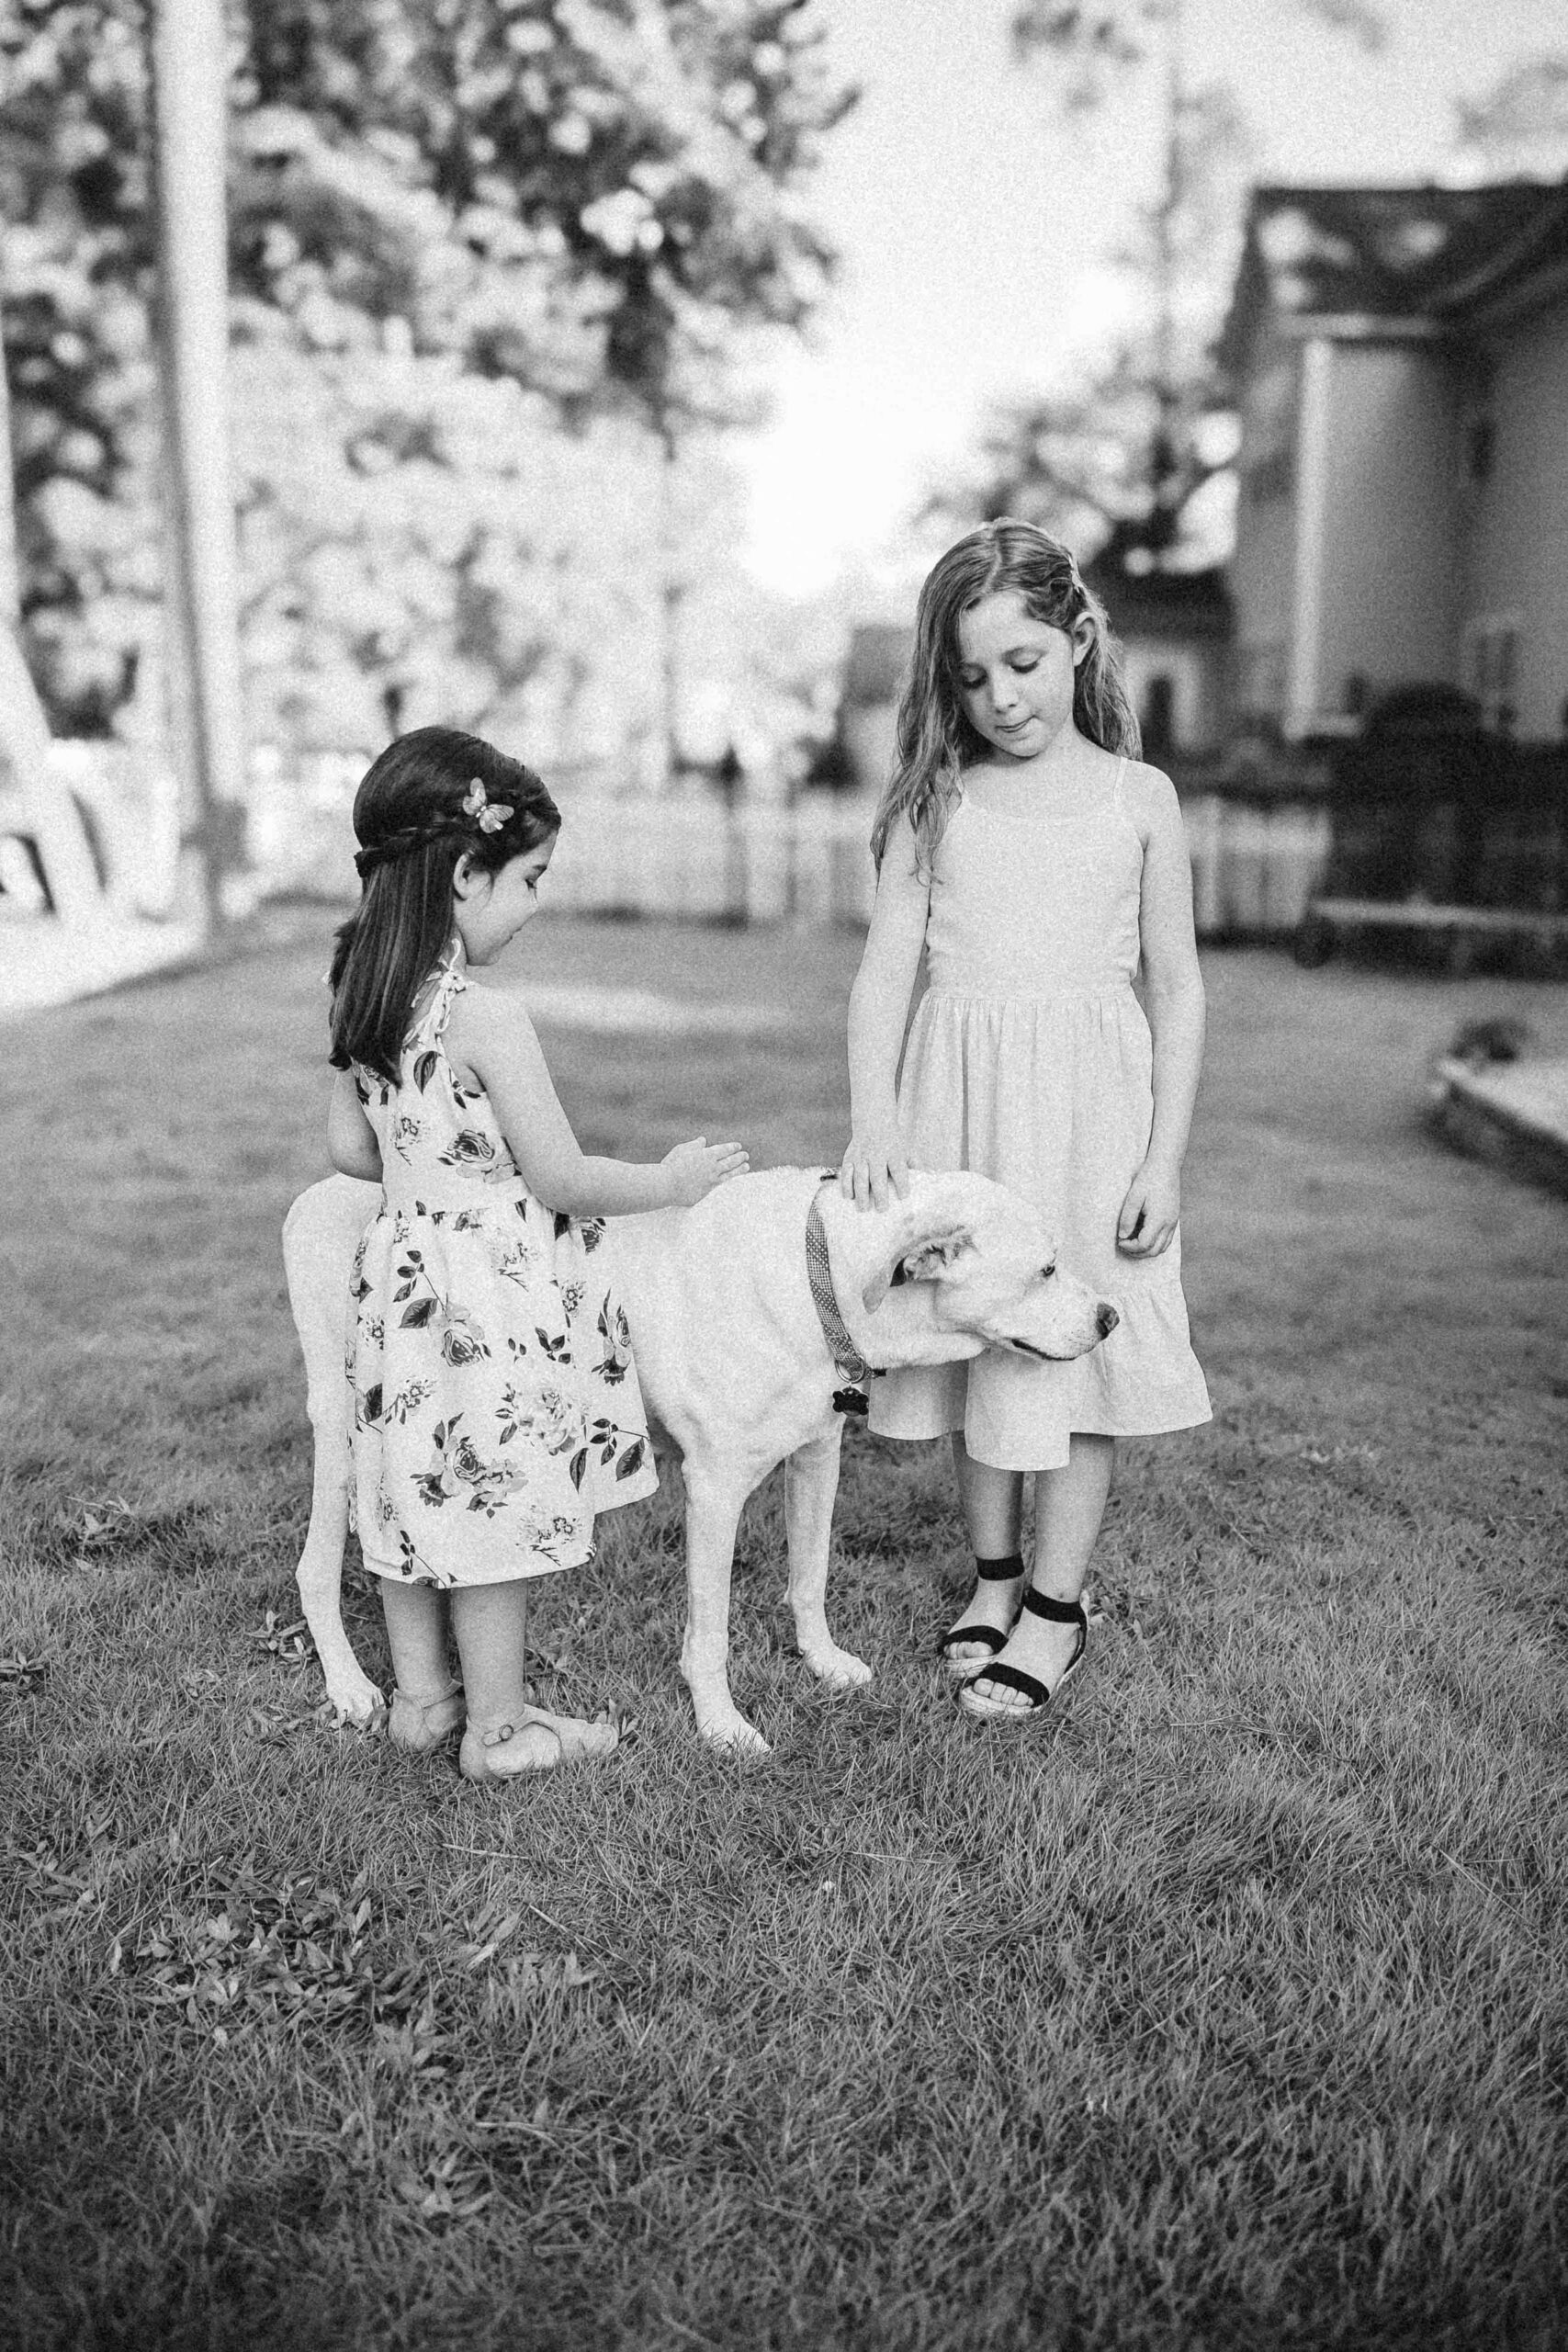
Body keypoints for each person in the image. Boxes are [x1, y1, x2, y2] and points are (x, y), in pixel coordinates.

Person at [839, 520, 1211, 1724]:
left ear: (1078, 640)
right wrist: (872, 1117)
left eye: (1022, 663)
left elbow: (1177, 986)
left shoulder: (1136, 800)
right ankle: (994, 1579)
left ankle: (1056, 1607)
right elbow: (884, 976)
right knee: (983, 1338)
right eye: (970, 674)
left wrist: (1162, 1154)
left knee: (1079, 1344)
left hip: (1095, 1118)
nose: (999, 696)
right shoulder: (937, 804)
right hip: (964, 1110)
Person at [327, 727, 748, 1781]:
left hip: (402, 1285)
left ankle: (424, 1701)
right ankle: (502, 1729)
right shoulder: (485, 1017)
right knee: (491, 1499)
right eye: (530, 878)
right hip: (487, 1303)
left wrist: (431, 1181)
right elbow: (559, 1177)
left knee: (415, 1482)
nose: (537, 901)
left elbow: (347, 1147)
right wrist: (670, 1181)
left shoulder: (362, 997)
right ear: (465, 873)